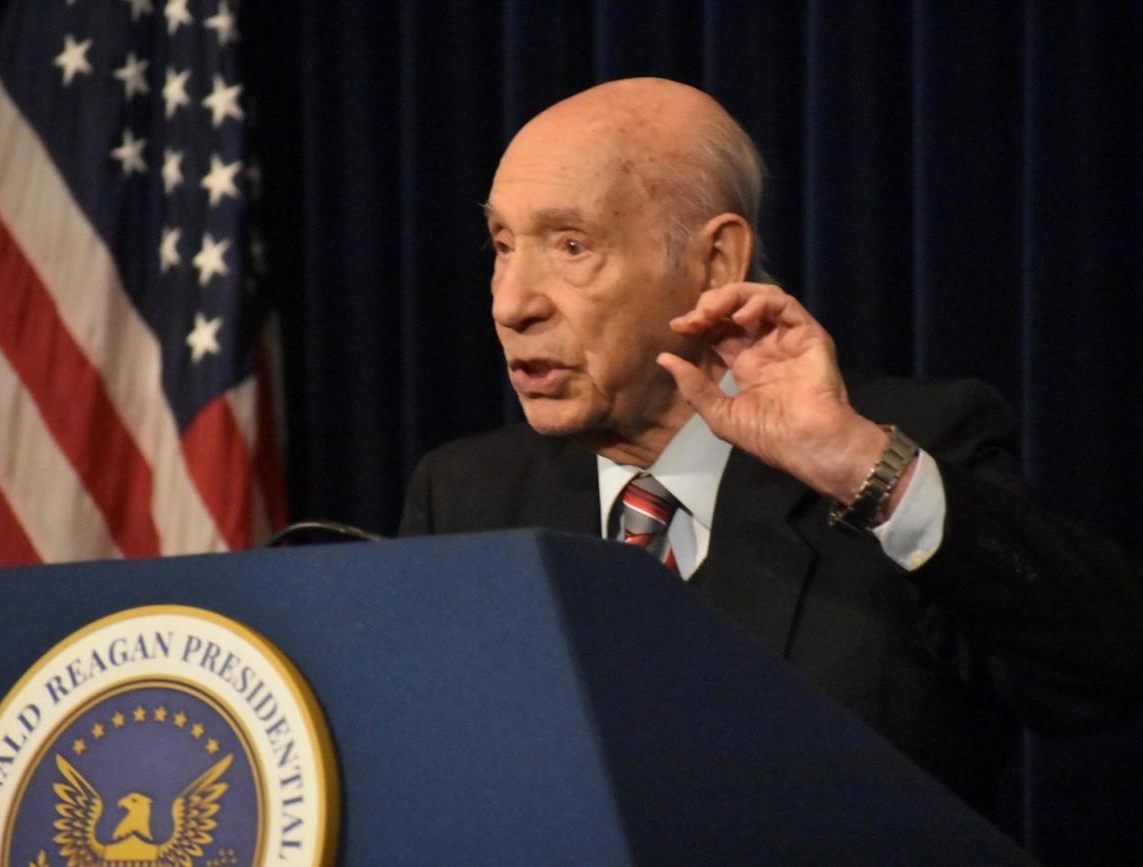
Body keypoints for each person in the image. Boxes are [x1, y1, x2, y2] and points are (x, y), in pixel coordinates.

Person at [399, 77, 1142, 822]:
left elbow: (1099, 671)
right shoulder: (466, 495)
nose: (510, 302)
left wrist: (860, 468)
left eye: (570, 245)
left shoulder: (901, 451)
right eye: (501, 244)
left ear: (716, 262)